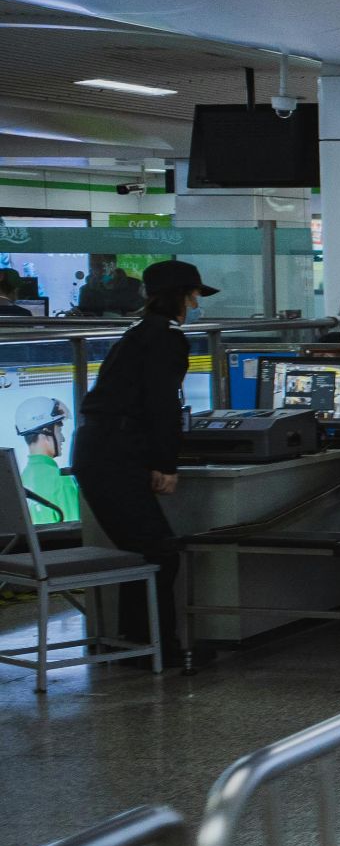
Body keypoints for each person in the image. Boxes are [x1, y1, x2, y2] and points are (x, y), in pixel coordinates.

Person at [72, 259, 211, 667]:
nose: (198, 302)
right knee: (158, 552)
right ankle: (152, 648)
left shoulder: (139, 333)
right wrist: (166, 464)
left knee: (144, 551)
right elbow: (161, 404)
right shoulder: (167, 338)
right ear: (184, 296)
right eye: (196, 294)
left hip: (101, 448)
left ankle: (138, 643)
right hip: (115, 452)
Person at [15, 397, 80, 524]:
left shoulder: (23, 479)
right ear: (46, 433)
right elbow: (75, 533)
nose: (62, 438)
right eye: (59, 431)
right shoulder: (61, 480)